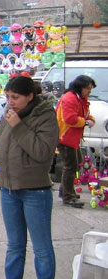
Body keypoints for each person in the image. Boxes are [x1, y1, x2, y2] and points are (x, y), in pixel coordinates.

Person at [0, 76, 59, 279]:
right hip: (8, 188)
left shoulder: (46, 115)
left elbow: (41, 152)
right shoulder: (9, 112)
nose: (10, 102)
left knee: (42, 250)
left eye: (14, 97)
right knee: (15, 247)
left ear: (30, 96)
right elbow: (1, 140)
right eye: (7, 97)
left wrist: (18, 125)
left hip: (35, 191)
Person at [56, 75, 96, 208]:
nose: (90, 91)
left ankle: (65, 191)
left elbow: (84, 114)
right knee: (70, 166)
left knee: (76, 163)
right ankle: (68, 197)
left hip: (73, 138)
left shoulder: (81, 99)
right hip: (64, 137)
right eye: (88, 88)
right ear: (80, 87)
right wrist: (85, 122)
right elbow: (70, 119)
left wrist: (89, 119)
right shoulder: (70, 98)